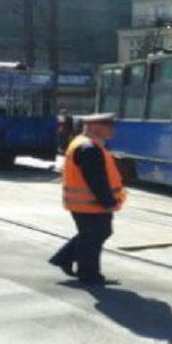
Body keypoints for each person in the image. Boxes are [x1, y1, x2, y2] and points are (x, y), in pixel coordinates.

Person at [49, 112, 126, 285]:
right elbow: (96, 179)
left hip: (87, 204)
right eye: (109, 126)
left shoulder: (88, 144)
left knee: (94, 234)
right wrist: (108, 202)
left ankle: (64, 258)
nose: (113, 130)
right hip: (90, 204)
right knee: (92, 237)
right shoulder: (88, 148)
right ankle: (89, 276)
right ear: (95, 127)